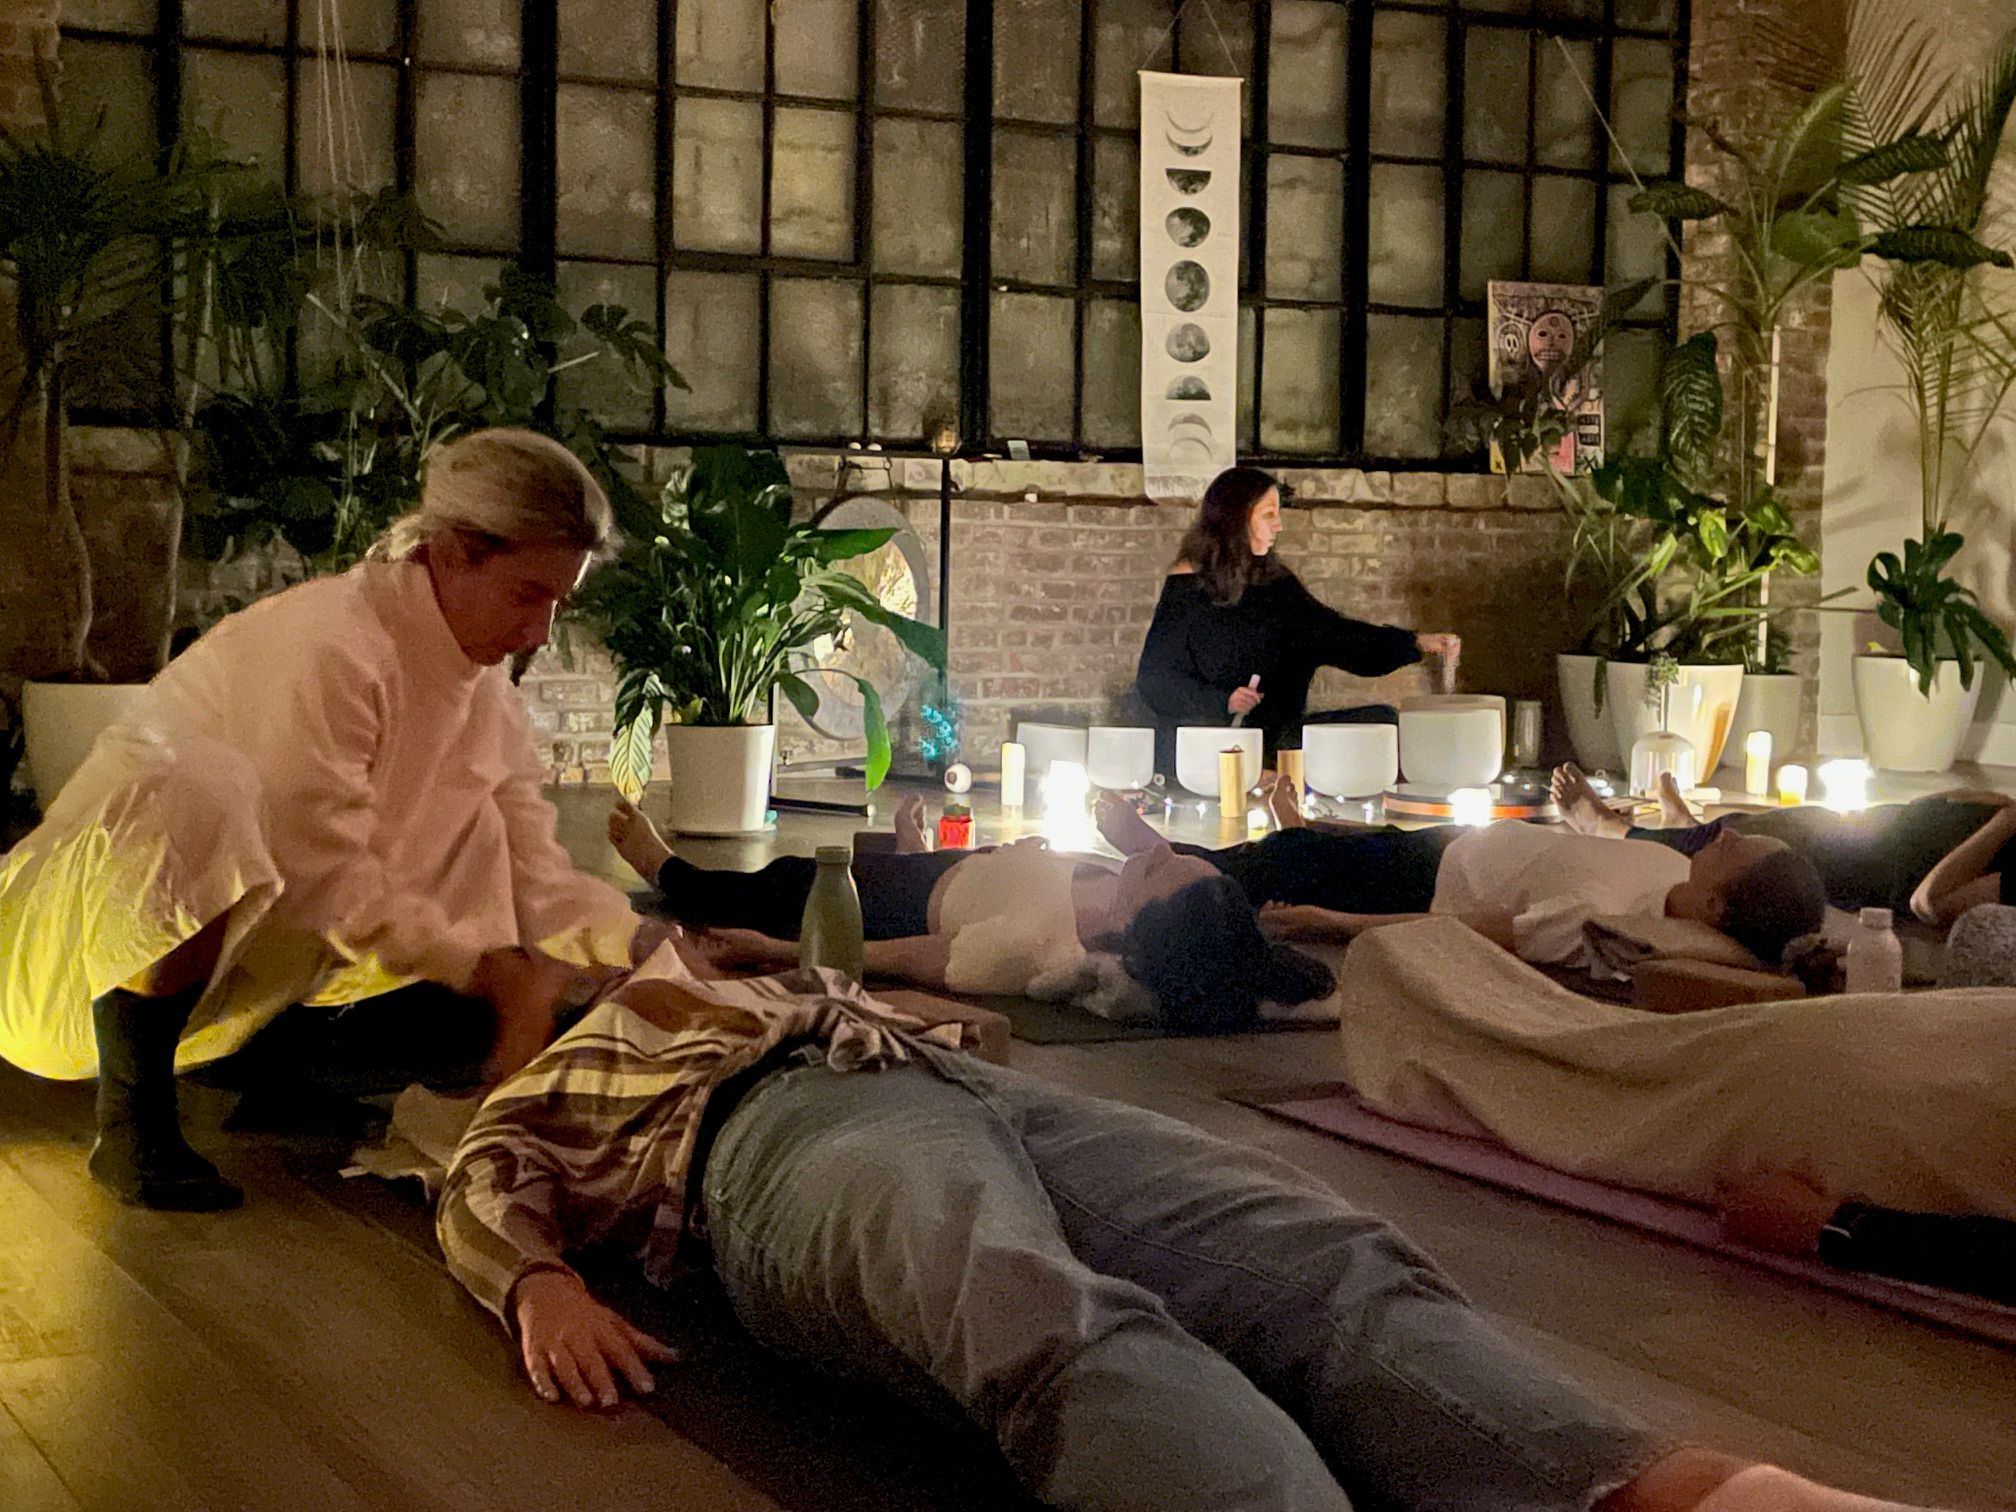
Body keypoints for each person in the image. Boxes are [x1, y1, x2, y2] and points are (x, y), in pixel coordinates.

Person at [438, 944, 1936, 1512]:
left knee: (1324, 1257)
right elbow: (478, 1181)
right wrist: (541, 1289)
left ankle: (1704, 1500)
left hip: (938, 1073)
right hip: (768, 1144)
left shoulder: (726, 971)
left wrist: (820, 978)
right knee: (1033, 1308)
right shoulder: (558, 1077)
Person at [0, 428, 662, 1211]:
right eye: (527, 595)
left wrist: (645, 945)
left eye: (559, 601)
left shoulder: (478, 690)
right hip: (58, 972)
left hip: (243, 995)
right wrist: (494, 974)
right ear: (451, 553)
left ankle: (275, 1078)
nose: (541, 632)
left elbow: (531, 863)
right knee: (202, 791)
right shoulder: (329, 645)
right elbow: (326, 873)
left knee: (482, 840)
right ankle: (132, 1119)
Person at [608, 793, 1332, 1034]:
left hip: (899, 904)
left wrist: (775, 949)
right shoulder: (1144, 898)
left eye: (1158, 867)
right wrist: (1132, 834)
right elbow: (1165, 867)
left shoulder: (1042, 948)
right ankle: (909, 846)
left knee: (779, 881)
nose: (1155, 854)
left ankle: (668, 870)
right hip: (955, 868)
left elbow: (913, 956)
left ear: (1130, 924)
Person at [1092, 787, 1828, 973]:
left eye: (1736, 848)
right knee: (1304, 843)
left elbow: (1473, 932)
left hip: (1429, 888)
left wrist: (1334, 924)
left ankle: (1161, 860)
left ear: (1717, 902)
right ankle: (1171, 856)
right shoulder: (1673, 872)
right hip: (1456, 848)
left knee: (1281, 865)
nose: (1724, 833)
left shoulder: (1606, 920)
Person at [1132, 466, 1460, 772]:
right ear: (1236, 519)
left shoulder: (1273, 584)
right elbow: (1156, 679)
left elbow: (1334, 635)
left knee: (1384, 722)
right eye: (1268, 514)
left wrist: (1414, 643)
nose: (1279, 525)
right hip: (1212, 750)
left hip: (1279, 740)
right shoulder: (1189, 585)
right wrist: (1224, 701)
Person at [1552, 762, 2016, 926]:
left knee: (1749, 838)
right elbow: (1970, 803)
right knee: (1768, 819)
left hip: (1868, 865)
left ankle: (1609, 829)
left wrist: (2006, 821)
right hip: (1883, 828)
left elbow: (1930, 903)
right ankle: (1682, 824)